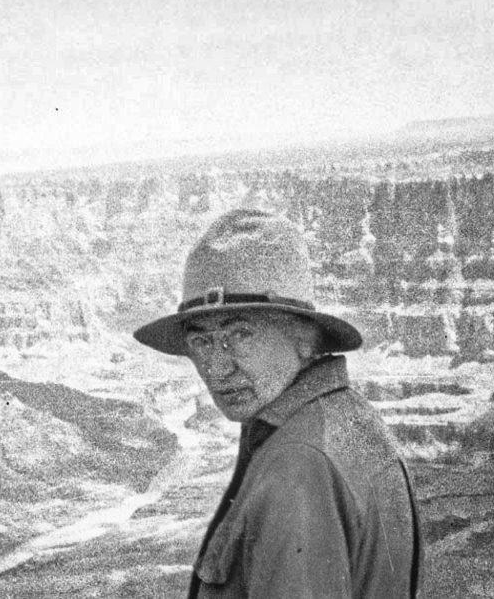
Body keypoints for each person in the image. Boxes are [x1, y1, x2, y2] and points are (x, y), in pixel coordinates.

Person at [134, 209, 422, 598]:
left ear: (303, 337)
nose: (217, 368)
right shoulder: (345, 416)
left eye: (241, 334)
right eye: (201, 341)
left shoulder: (296, 465)